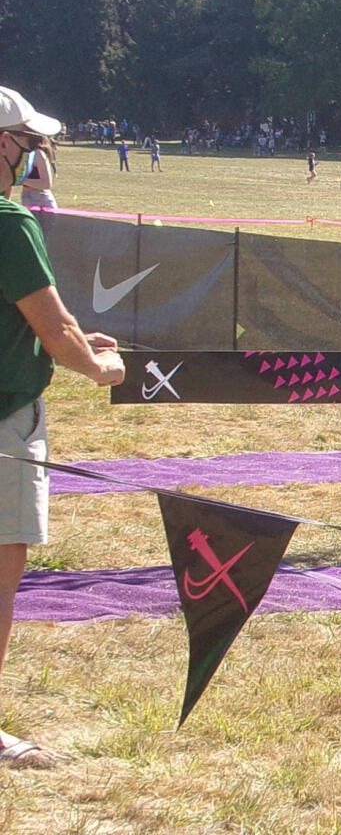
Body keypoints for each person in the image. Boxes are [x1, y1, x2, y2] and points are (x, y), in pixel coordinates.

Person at [0, 87, 126, 766]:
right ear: (3, 146)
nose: (39, 153)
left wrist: (78, 337)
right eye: (31, 141)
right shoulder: (8, 224)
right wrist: (101, 369)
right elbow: (55, 330)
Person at [20, 143, 56, 211]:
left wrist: (20, 180)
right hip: (26, 197)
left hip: (41, 199)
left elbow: (46, 184)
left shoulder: (38, 153)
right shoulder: (22, 152)